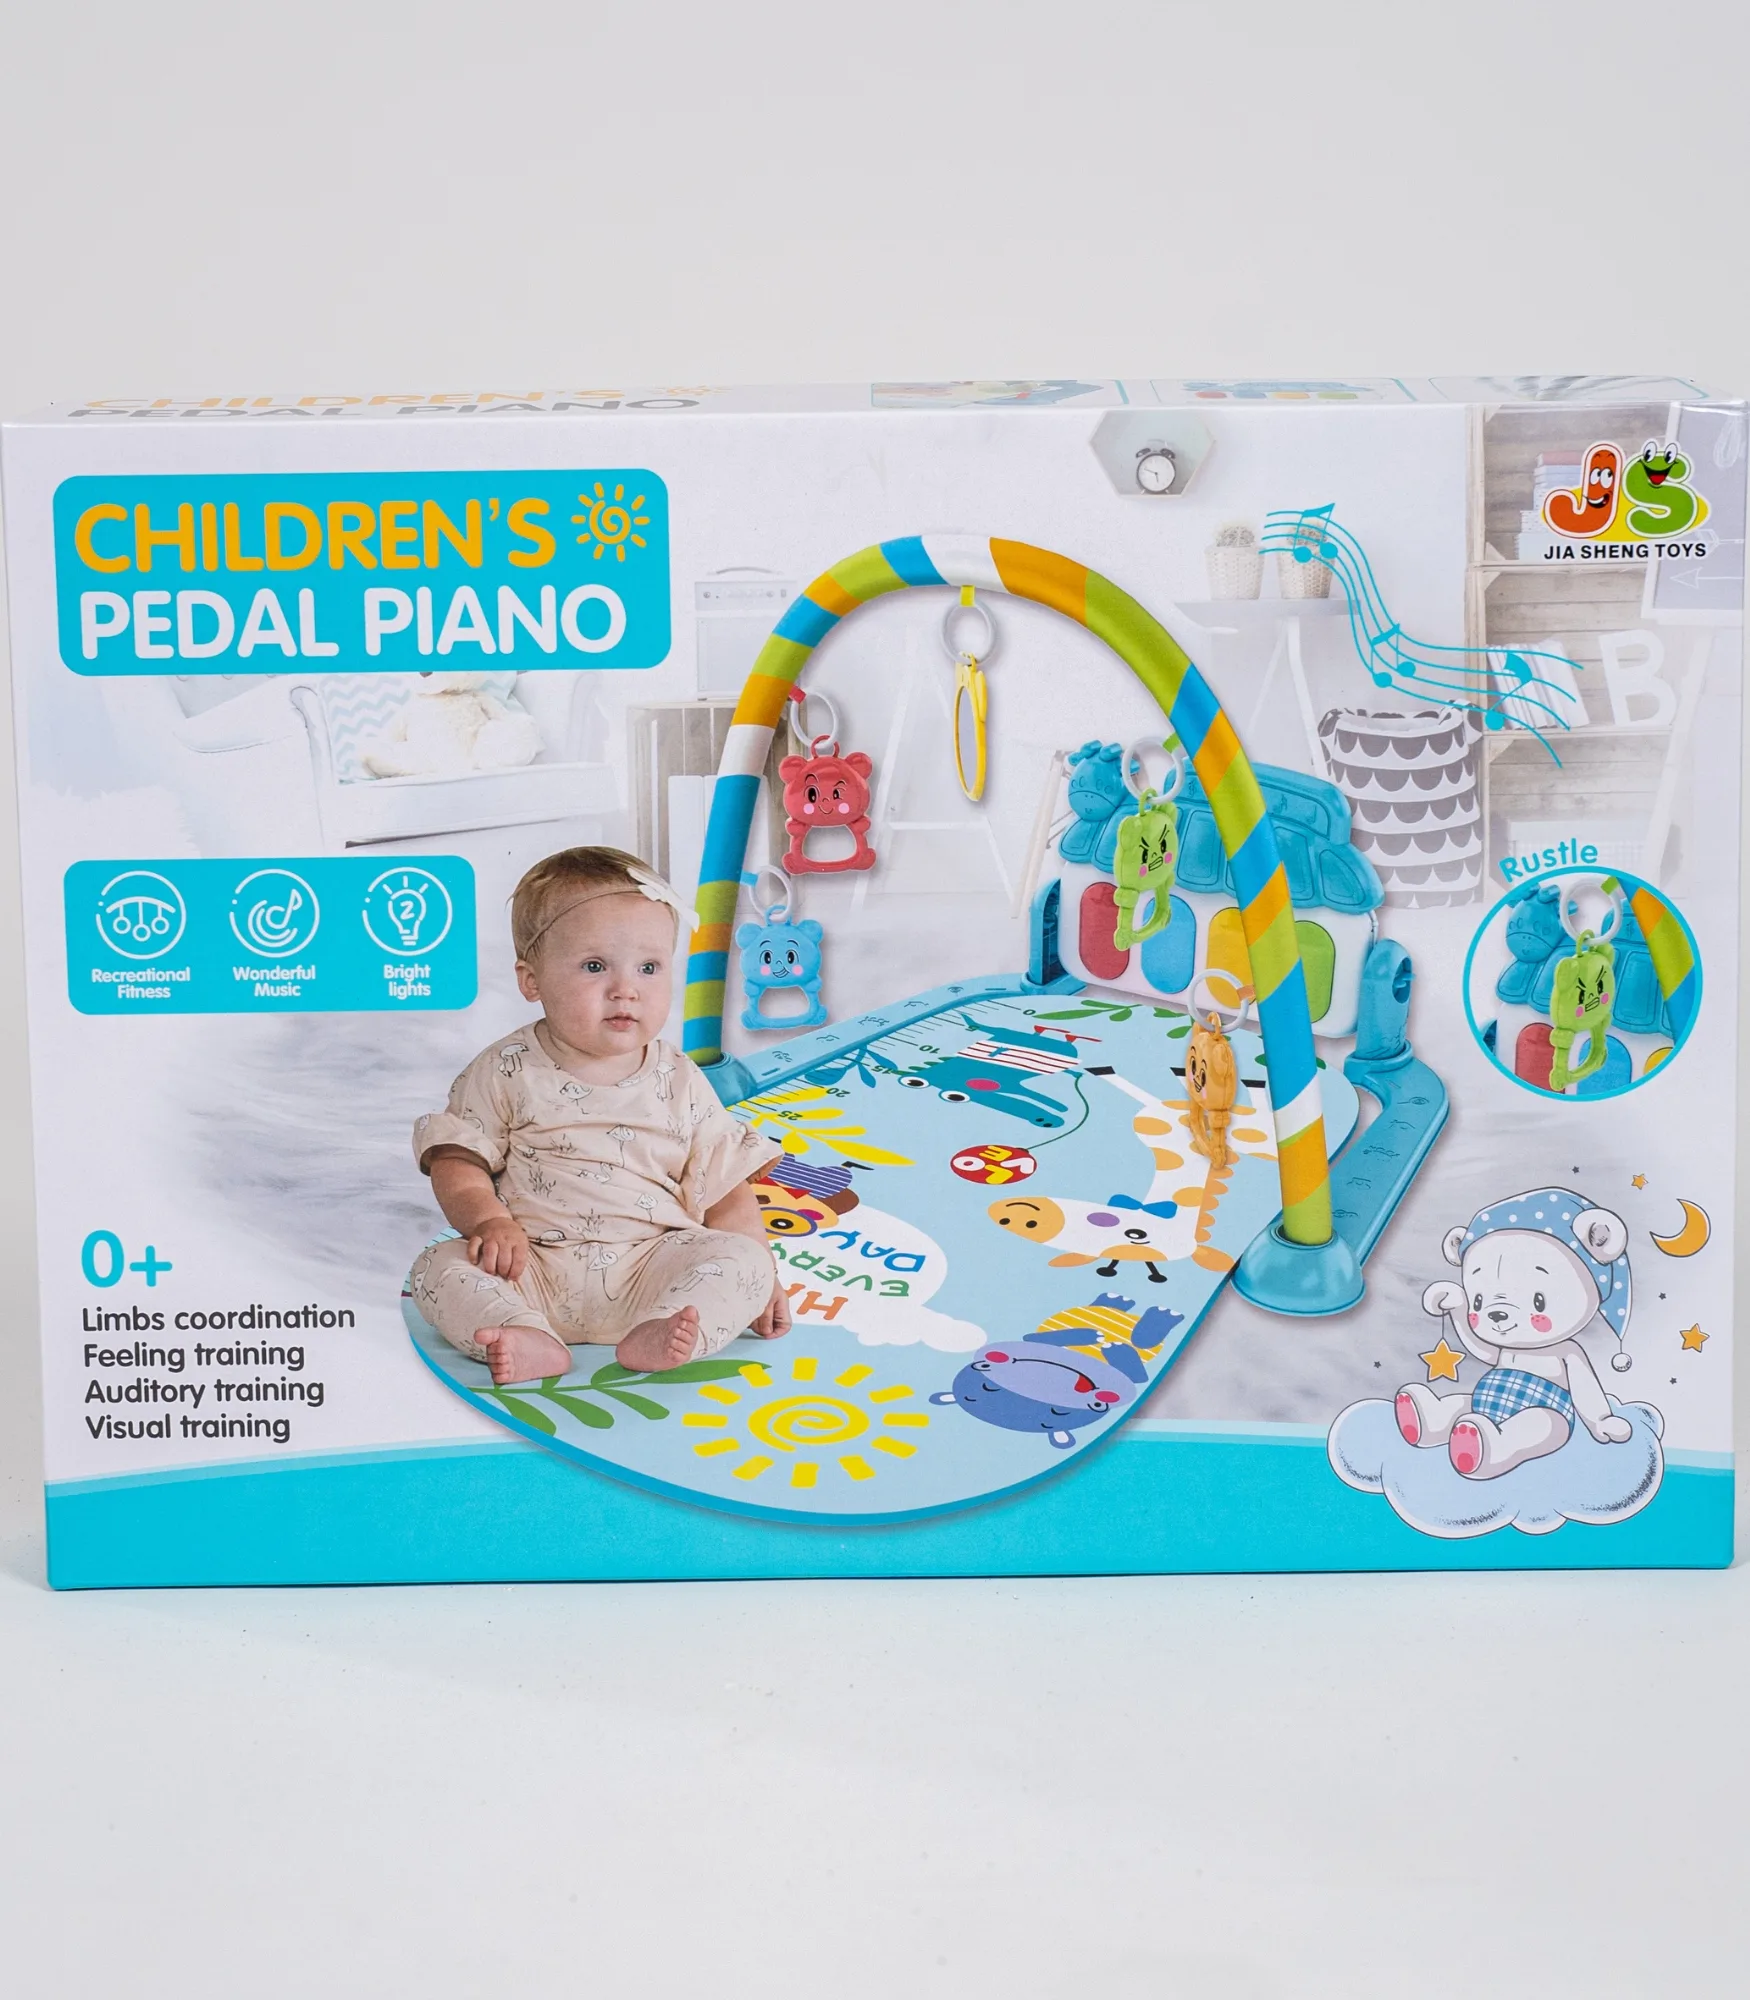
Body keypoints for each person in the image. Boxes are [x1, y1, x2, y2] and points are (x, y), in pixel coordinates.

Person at [409, 846, 788, 1386]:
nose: (625, 990)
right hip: (532, 1266)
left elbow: (725, 1188)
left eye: (649, 968)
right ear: (532, 980)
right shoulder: (506, 1068)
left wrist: (764, 1278)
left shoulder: (680, 1078)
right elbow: (457, 1159)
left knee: (744, 1259)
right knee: (437, 1267)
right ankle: (522, 1331)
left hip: (653, 1267)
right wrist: (488, 1222)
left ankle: (664, 1330)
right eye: (594, 966)